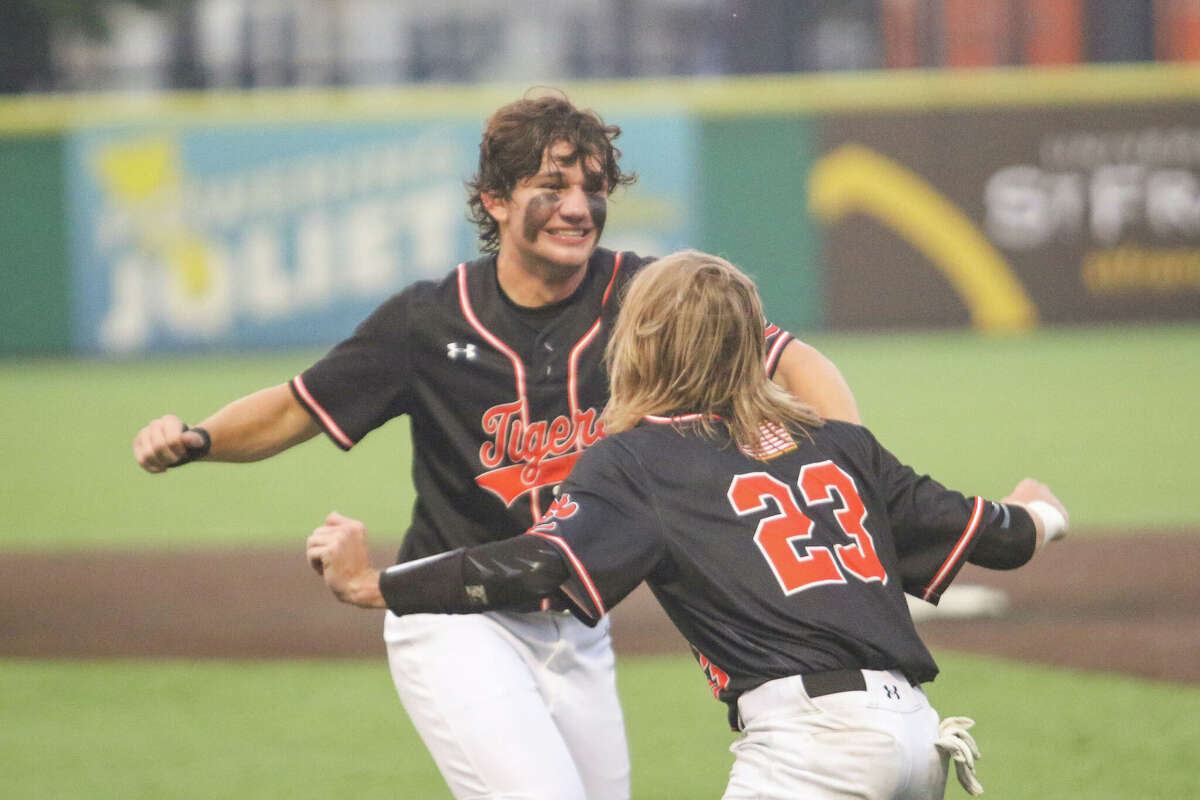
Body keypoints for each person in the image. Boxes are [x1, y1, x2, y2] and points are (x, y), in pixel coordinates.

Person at [132, 92, 860, 800]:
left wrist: (853, 468)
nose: (578, 207)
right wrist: (197, 439)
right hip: (455, 621)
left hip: (579, 623)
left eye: (593, 188)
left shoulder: (645, 296)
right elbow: (298, 407)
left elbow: (792, 363)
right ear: (496, 200)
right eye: (552, 187)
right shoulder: (428, 320)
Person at [306, 249, 1069, 800]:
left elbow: (538, 566)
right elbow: (1002, 537)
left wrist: (377, 584)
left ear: (641, 343)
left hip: (811, 753)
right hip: (917, 744)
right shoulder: (841, 444)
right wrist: (1042, 511)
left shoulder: (640, 460)